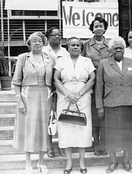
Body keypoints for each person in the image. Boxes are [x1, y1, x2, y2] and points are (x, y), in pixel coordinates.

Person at [12, 32, 55, 174]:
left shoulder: (50, 58)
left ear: (44, 43)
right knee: (29, 129)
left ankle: (42, 162)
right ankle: (28, 163)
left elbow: (55, 80)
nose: (37, 43)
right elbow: (16, 81)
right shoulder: (22, 58)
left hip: (45, 96)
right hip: (27, 96)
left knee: (43, 129)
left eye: (40, 41)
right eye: (34, 41)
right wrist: (19, 101)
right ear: (29, 43)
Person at [54, 36, 95, 174]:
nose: (76, 47)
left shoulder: (87, 61)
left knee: (82, 127)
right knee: (66, 127)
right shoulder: (61, 61)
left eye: (78, 45)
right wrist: (67, 94)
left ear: (81, 47)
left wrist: (80, 93)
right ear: (68, 47)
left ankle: (82, 161)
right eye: (73, 45)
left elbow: (92, 78)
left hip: (83, 97)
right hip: (65, 97)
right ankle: (69, 162)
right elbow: (56, 79)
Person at [95, 36, 132, 173]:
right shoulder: (103, 63)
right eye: (115, 48)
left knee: (128, 134)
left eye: (121, 48)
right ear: (110, 50)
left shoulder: (131, 62)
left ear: (124, 49)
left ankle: (126, 161)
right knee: (111, 134)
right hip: (111, 104)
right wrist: (99, 106)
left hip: (128, 103)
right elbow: (99, 87)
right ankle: (112, 162)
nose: (118, 50)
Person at [81, 16, 111, 156]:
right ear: (92, 28)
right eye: (96, 26)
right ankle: (96, 143)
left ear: (105, 28)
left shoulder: (110, 44)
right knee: (94, 114)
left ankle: (104, 143)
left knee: (106, 114)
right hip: (91, 83)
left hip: (108, 83)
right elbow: (81, 63)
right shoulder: (86, 45)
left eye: (101, 26)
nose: (98, 28)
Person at [43, 27, 69, 158]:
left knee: (61, 117)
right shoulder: (43, 51)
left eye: (59, 35)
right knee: (49, 118)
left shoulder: (65, 52)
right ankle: (49, 146)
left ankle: (62, 145)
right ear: (48, 37)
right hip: (47, 88)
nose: (57, 37)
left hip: (62, 88)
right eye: (54, 35)